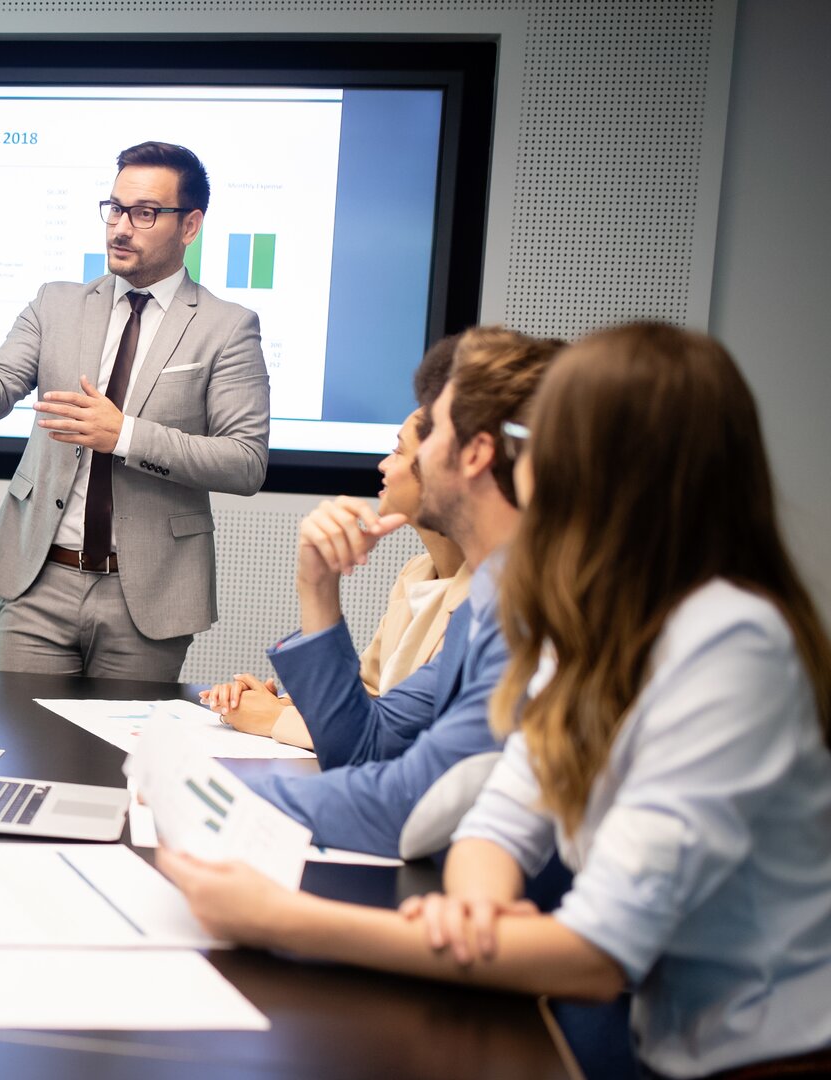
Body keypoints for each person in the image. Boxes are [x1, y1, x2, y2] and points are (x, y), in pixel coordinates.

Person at [161, 322, 831, 1079]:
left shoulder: (728, 644)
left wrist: (291, 922)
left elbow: (596, 955)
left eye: (542, 440)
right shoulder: (594, 617)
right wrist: (475, 900)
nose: (523, 461)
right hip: (647, 1036)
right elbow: (503, 814)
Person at [0, 141, 269, 682]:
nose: (121, 227)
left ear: (190, 225)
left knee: (120, 765)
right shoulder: (55, 304)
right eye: (114, 208)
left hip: (147, 596)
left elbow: (245, 462)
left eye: (145, 212)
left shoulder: (227, 327)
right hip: (39, 581)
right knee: (21, 746)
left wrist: (125, 435)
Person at [241, 327, 560, 858]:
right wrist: (317, 587)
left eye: (428, 432)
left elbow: (405, 802)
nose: (399, 460)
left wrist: (207, 795)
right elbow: (364, 748)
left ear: (476, 454)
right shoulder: (489, 600)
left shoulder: (530, 615)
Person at [202, 336, 470, 749]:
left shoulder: (489, 606)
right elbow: (367, 694)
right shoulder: (417, 573)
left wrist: (276, 720)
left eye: (398, 452)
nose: (383, 465)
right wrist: (286, 705)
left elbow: (395, 739)